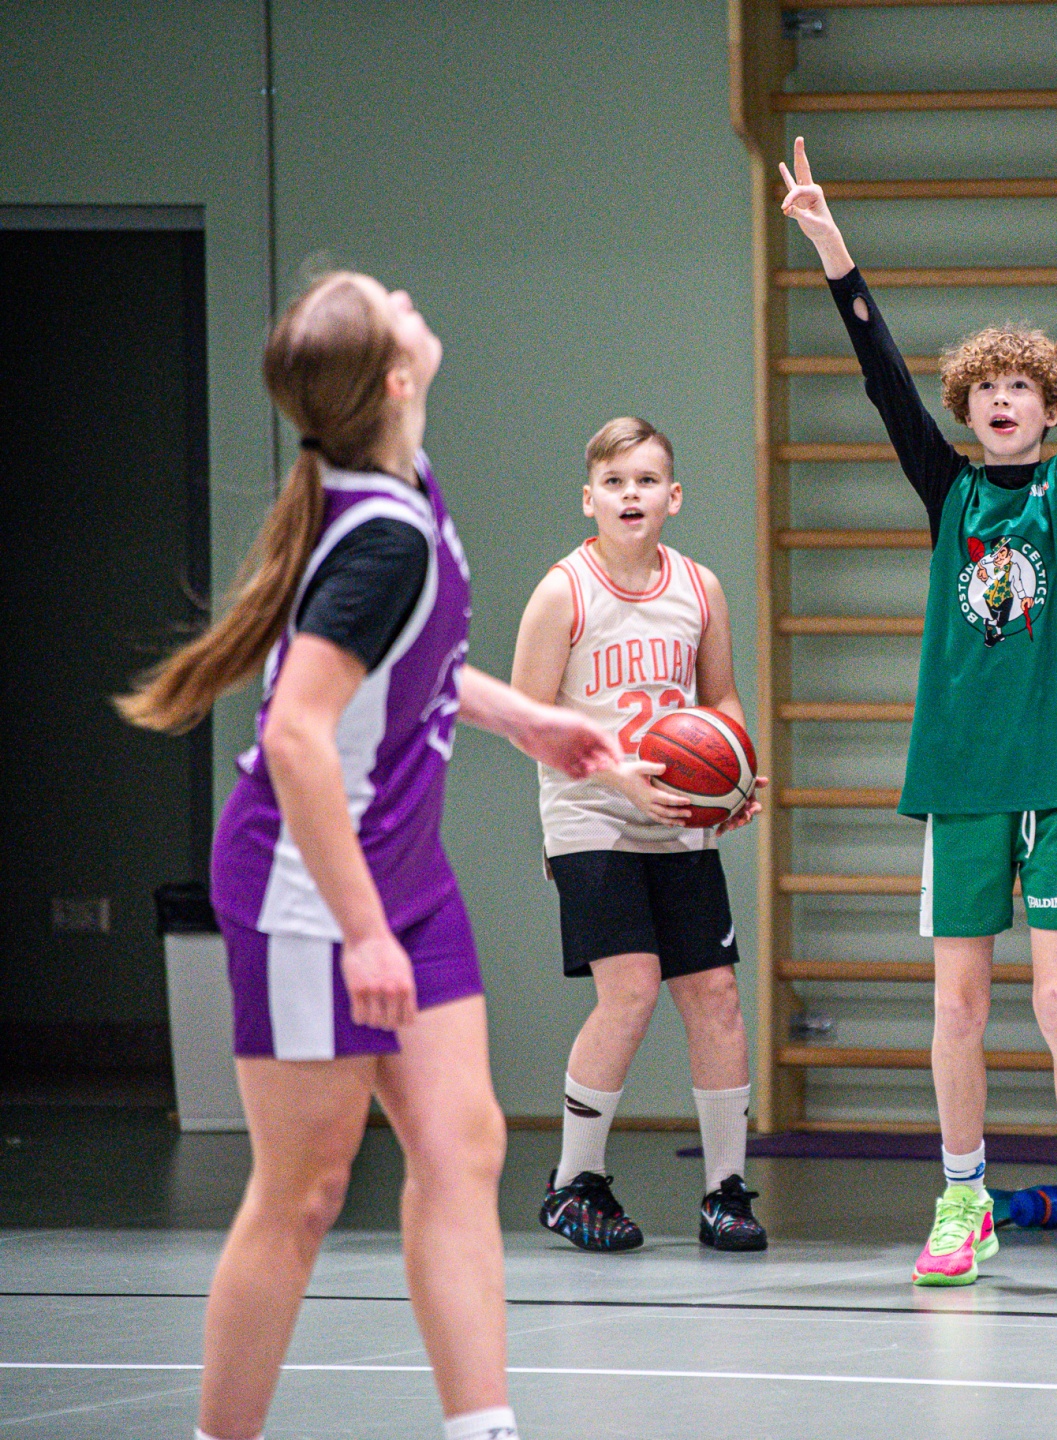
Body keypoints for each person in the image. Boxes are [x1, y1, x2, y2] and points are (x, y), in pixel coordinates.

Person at [118, 271, 623, 1440]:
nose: (404, 293)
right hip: (309, 890)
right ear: (395, 378)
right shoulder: (382, 539)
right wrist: (360, 933)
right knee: (304, 1194)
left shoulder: (397, 480)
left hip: (405, 875)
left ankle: (482, 1426)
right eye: (386, 301)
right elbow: (297, 735)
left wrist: (523, 719)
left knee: (463, 1146)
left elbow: (410, 666)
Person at [778, 139, 1057, 1295]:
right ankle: (964, 1197)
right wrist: (833, 250)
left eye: (1021, 389)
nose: (1002, 401)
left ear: (1048, 409)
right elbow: (882, 377)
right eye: (986, 391)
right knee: (960, 1004)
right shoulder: (952, 493)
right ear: (968, 411)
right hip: (963, 778)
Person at [510, 416, 766, 1255]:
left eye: (647, 481)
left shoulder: (700, 587)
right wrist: (618, 775)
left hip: (678, 820)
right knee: (631, 989)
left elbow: (720, 699)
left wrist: (733, 779)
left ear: (674, 497)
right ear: (588, 498)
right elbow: (524, 718)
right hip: (589, 815)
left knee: (716, 995)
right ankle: (575, 1182)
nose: (631, 495)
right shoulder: (563, 591)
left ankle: (726, 1191)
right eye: (614, 482)